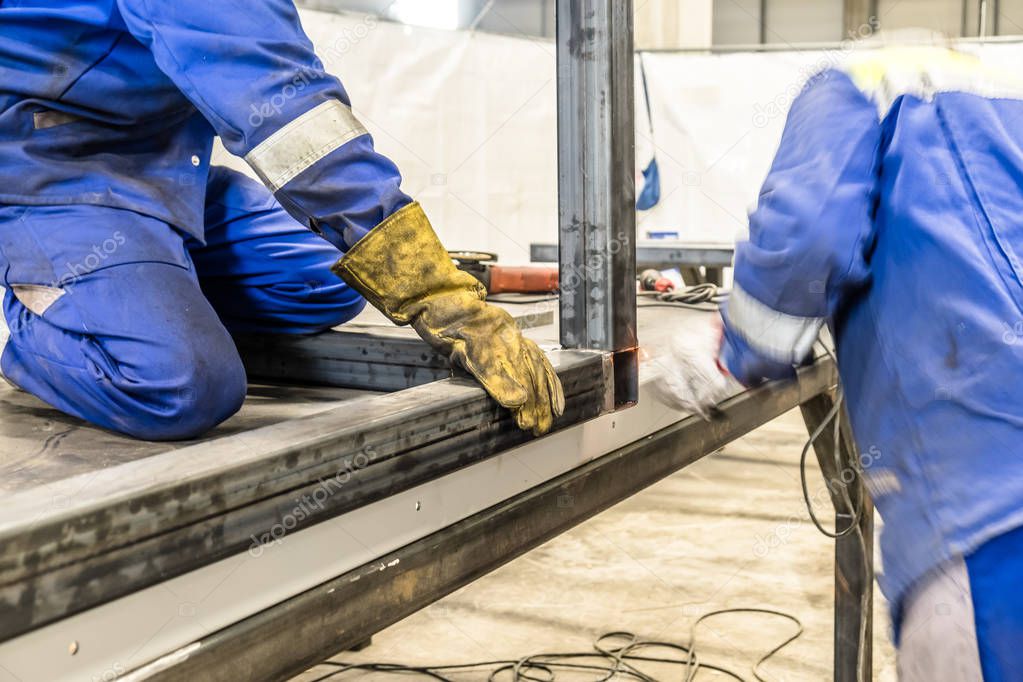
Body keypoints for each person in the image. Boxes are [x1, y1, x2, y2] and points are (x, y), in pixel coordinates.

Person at [0, 1, 563, 441]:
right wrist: (437, 294)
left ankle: (147, 288)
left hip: (165, 173)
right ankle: (47, 326)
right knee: (184, 387)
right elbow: (286, 114)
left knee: (329, 283)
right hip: (53, 183)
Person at [666, 43, 1023, 680]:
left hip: (989, 521)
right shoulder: (1008, 106)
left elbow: (807, 232)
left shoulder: (852, 84)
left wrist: (738, 349)